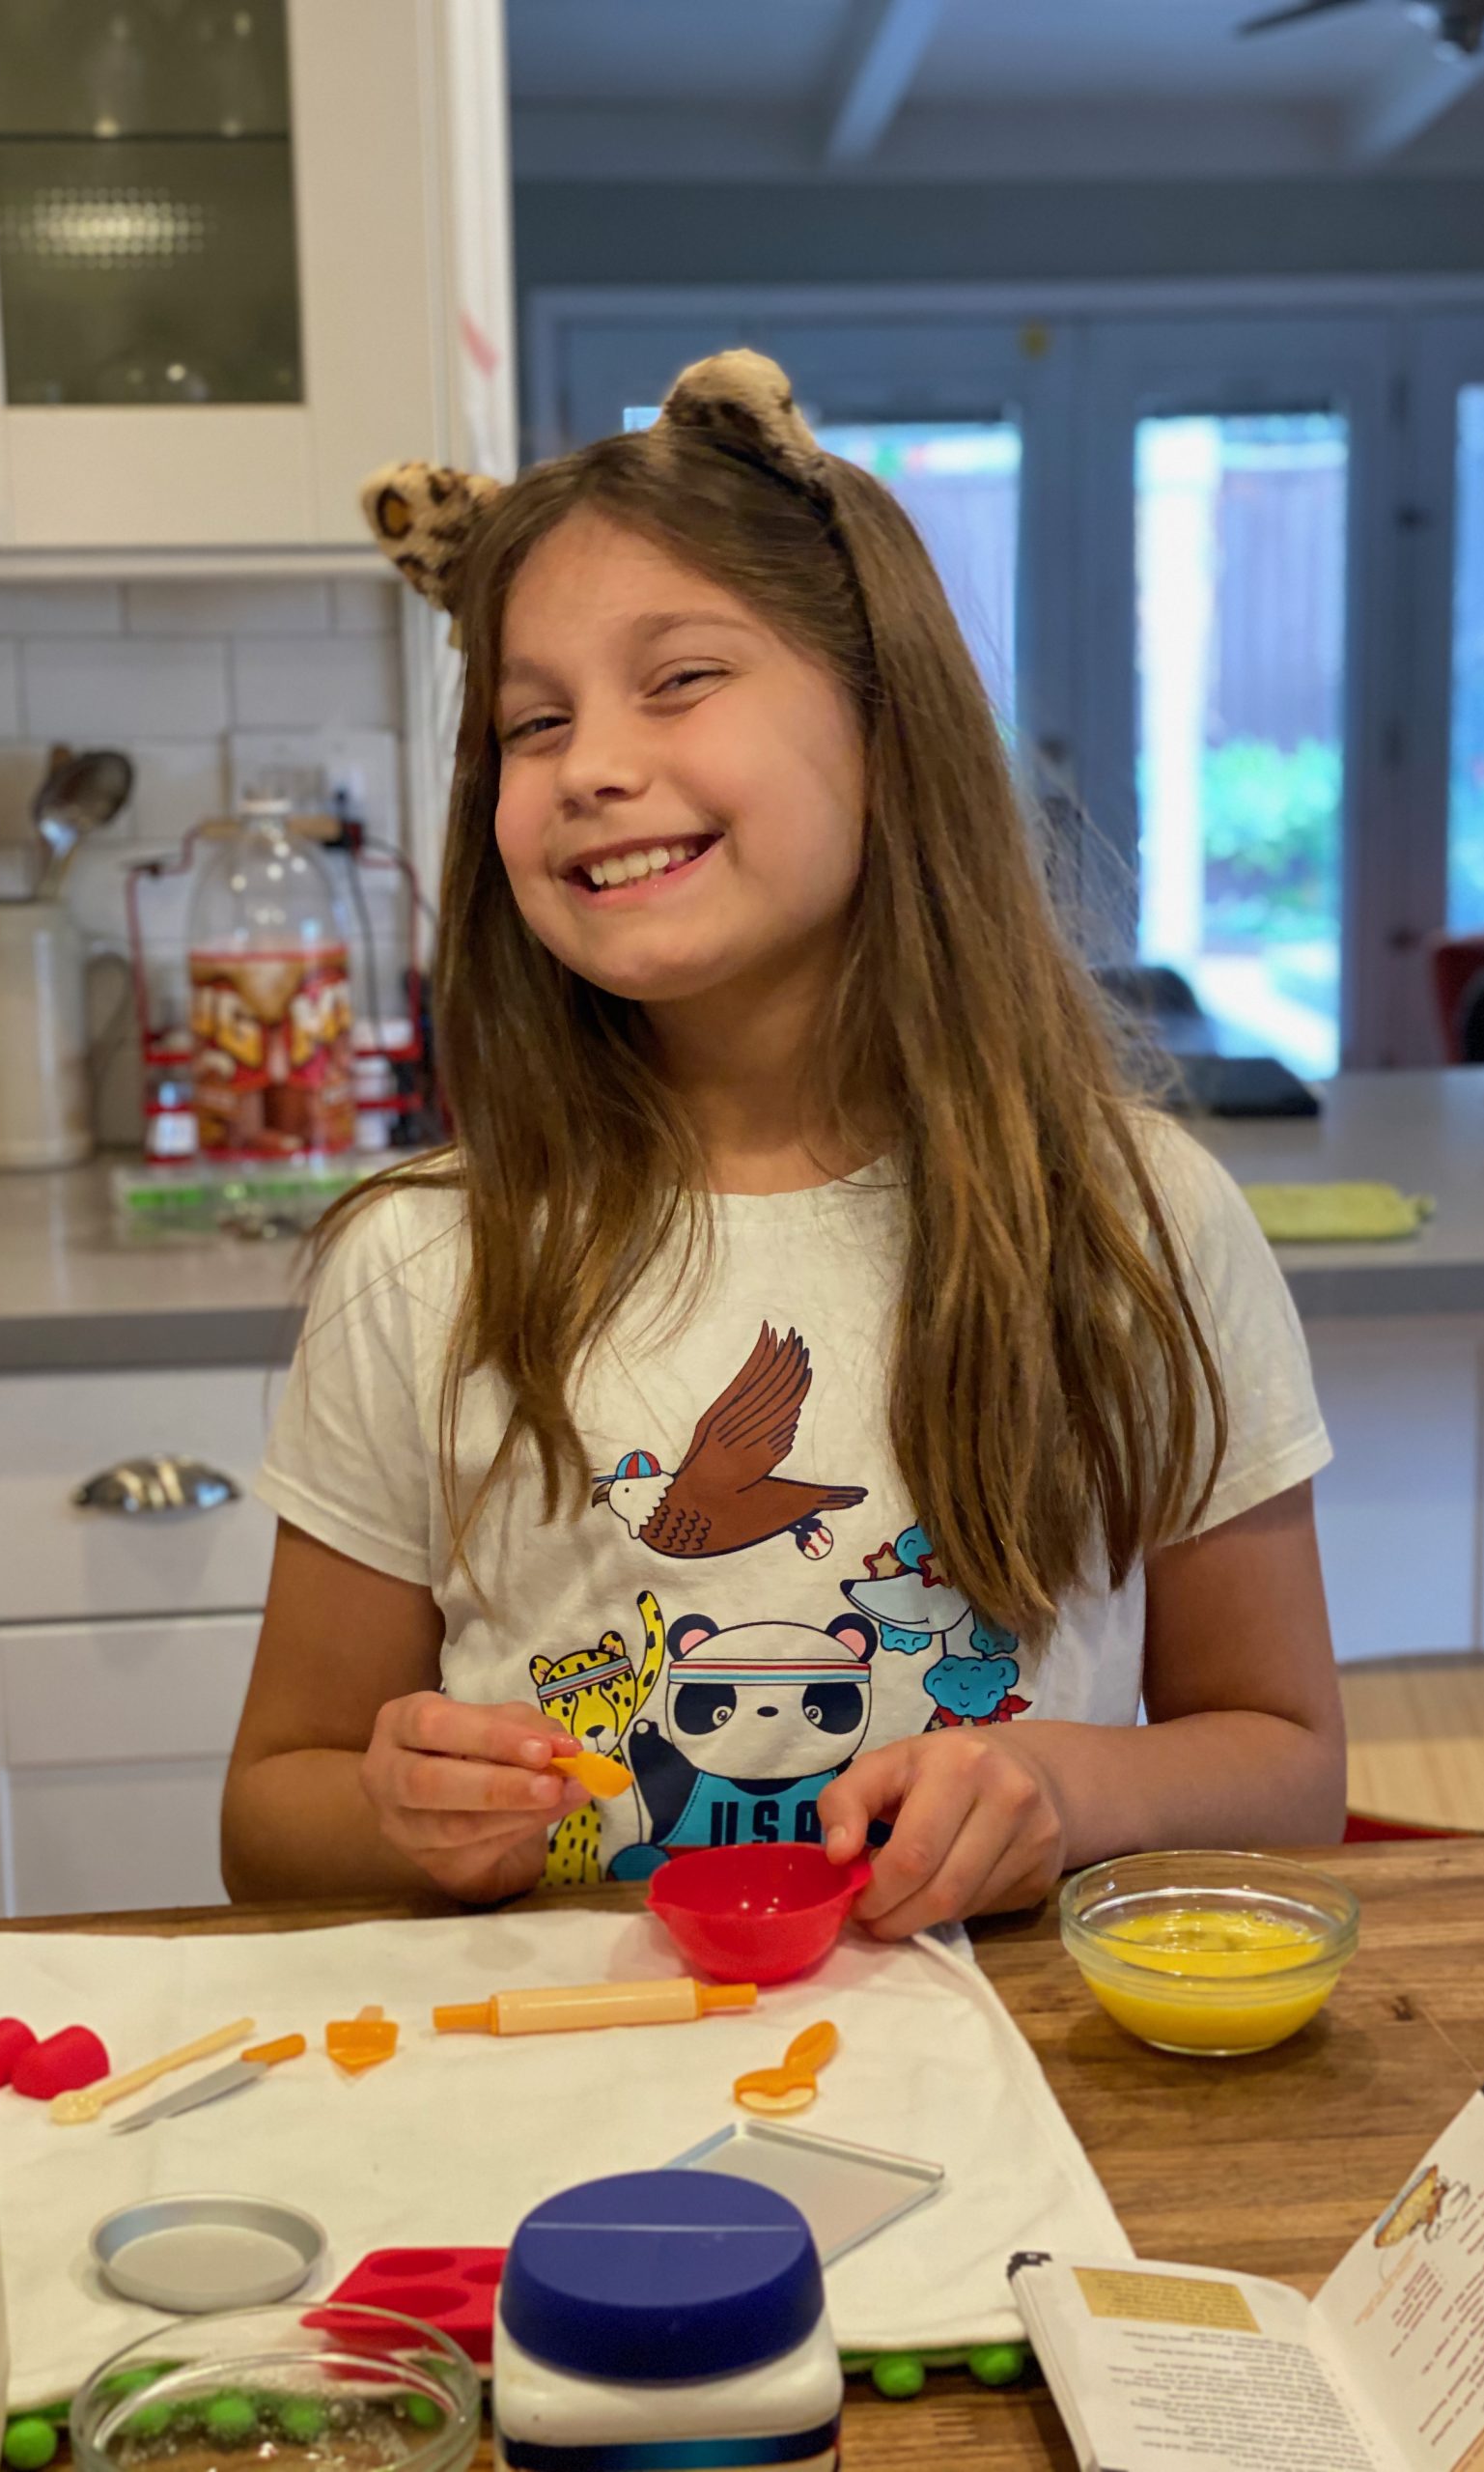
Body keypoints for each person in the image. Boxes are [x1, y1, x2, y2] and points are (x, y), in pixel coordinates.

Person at [221, 350, 1343, 1937]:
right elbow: (271, 1815)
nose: (591, 764)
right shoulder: (418, 1260)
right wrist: (394, 1810)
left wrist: (1071, 1792)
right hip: (557, 2085)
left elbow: (1291, 1767)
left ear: (887, 722)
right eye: (532, 721)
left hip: (1010, 2085)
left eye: (678, 679)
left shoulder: (1134, 1220)